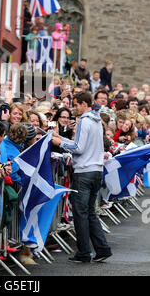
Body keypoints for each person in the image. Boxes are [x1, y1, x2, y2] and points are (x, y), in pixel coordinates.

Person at [52, 91, 112, 263]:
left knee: (80, 213)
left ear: (84, 104)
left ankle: (85, 252)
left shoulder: (84, 122)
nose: (74, 108)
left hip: (84, 171)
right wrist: (60, 137)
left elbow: (79, 148)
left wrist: (60, 142)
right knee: (90, 213)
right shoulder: (97, 121)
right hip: (96, 170)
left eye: (76, 104)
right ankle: (102, 249)